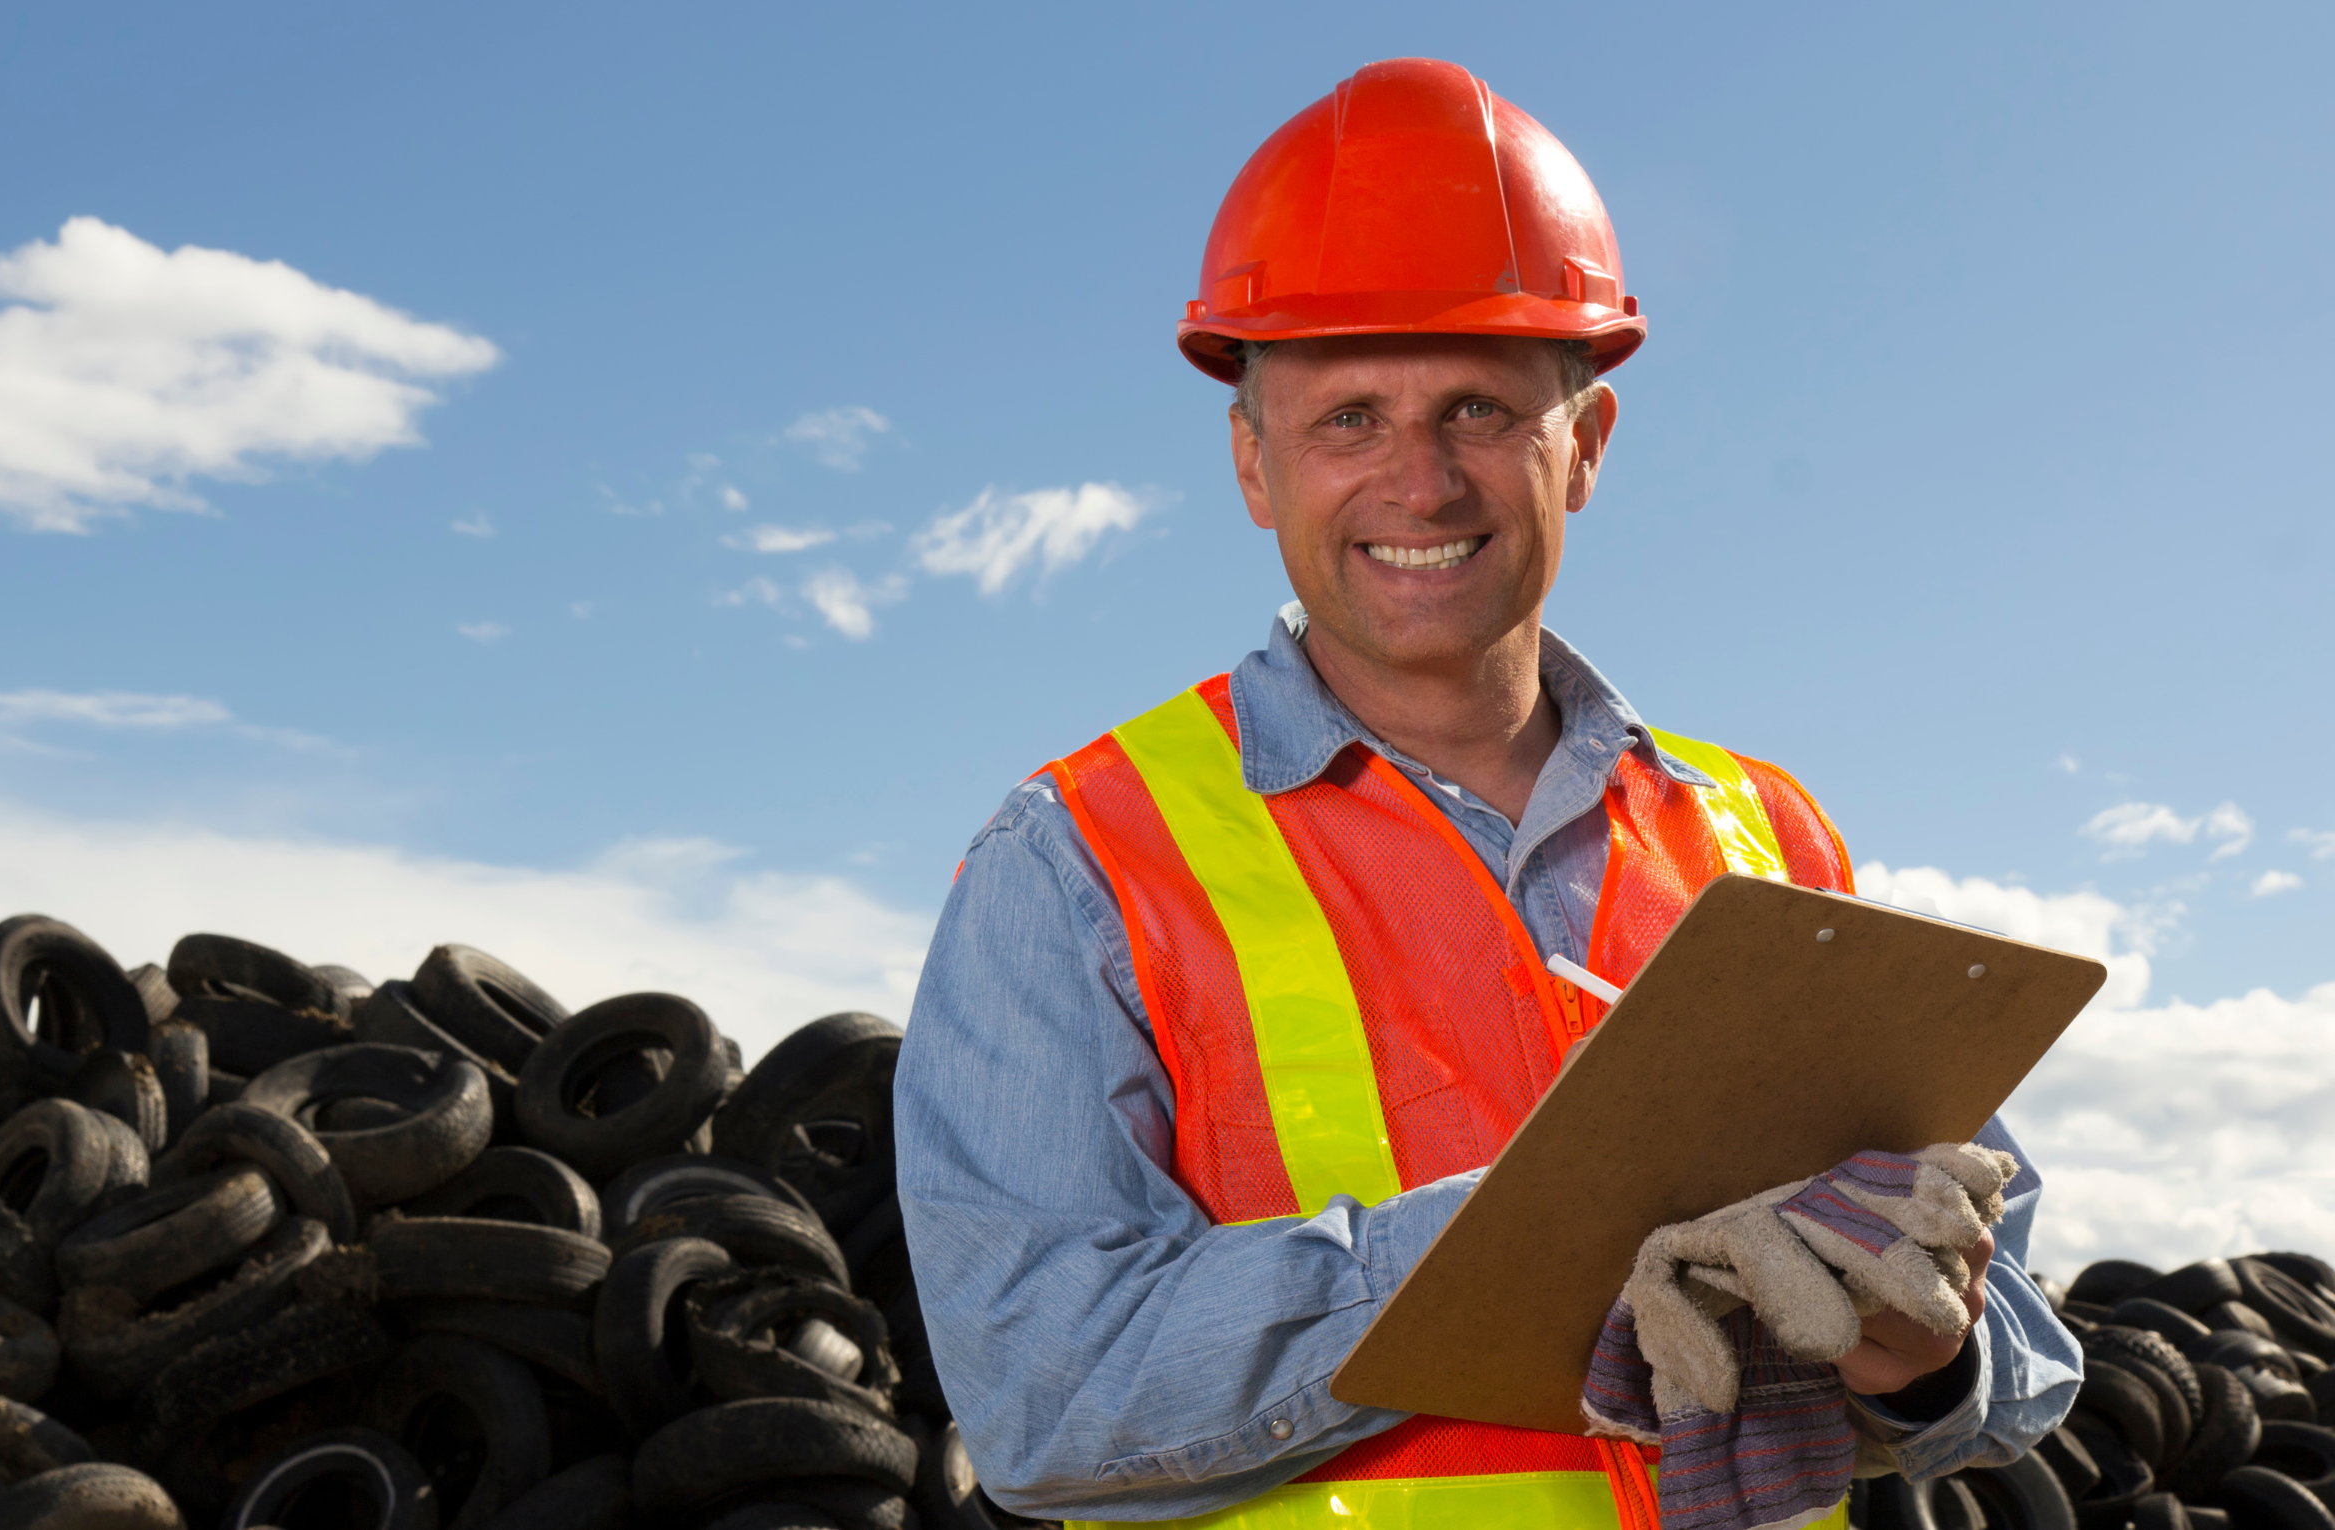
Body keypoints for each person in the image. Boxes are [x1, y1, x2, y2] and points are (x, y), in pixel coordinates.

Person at [891, 57, 2080, 1529]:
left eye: (1476, 408)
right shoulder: (1075, 861)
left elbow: (2020, 1346)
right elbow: (1042, 1399)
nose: (1421, 483)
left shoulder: (1765, 835)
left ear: (1585, 448)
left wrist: (1928, 1359)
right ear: (1253, 464)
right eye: (1347, 419)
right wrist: (1551, 1235)